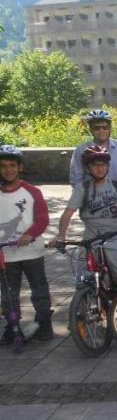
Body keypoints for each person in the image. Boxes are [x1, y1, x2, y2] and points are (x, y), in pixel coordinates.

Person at [53, 146, 117, 289]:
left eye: (103, 164)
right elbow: (67, 213)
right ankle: (85, 305)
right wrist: (61, 236)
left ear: (108, 166)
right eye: (95, 165)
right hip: (92, 237)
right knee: (84, 275)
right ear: (88, 168)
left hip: (116, 236)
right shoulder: (82, 188)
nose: (99, 168)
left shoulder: (116, 186)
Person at [0, 145, 54, 343]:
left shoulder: (32, 192)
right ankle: (12, 324)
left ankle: (44, 322)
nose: (8, 170)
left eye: (12, 165)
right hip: (6, 253)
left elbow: (42, 219)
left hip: (31, 251)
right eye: (3, 166)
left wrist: (30, 234)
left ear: (19, 167)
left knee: (39, 288)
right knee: (8, 292)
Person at [70, 109, 117, 186]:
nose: (101, 130)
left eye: (105, 127)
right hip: (91, 196)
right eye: (96, 128)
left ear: (110, 128)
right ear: (91, 129)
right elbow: (76, 179)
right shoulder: (80, 151)